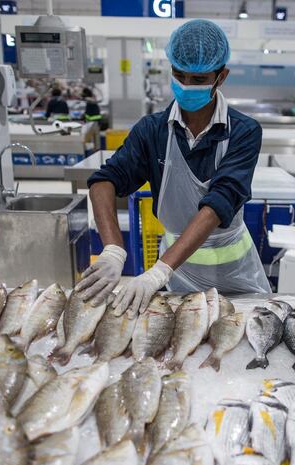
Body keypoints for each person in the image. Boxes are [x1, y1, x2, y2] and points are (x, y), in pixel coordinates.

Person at [78, 19, 270, 316]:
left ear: (222, 77)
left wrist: (157, 273)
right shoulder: (152, 131)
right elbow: (104, 181)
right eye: (179, 76)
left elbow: (220, 203)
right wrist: (114, 249)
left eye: (198, 79)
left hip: (236, 276)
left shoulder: (243, 131)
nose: (186, 86)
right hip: (180, 274)